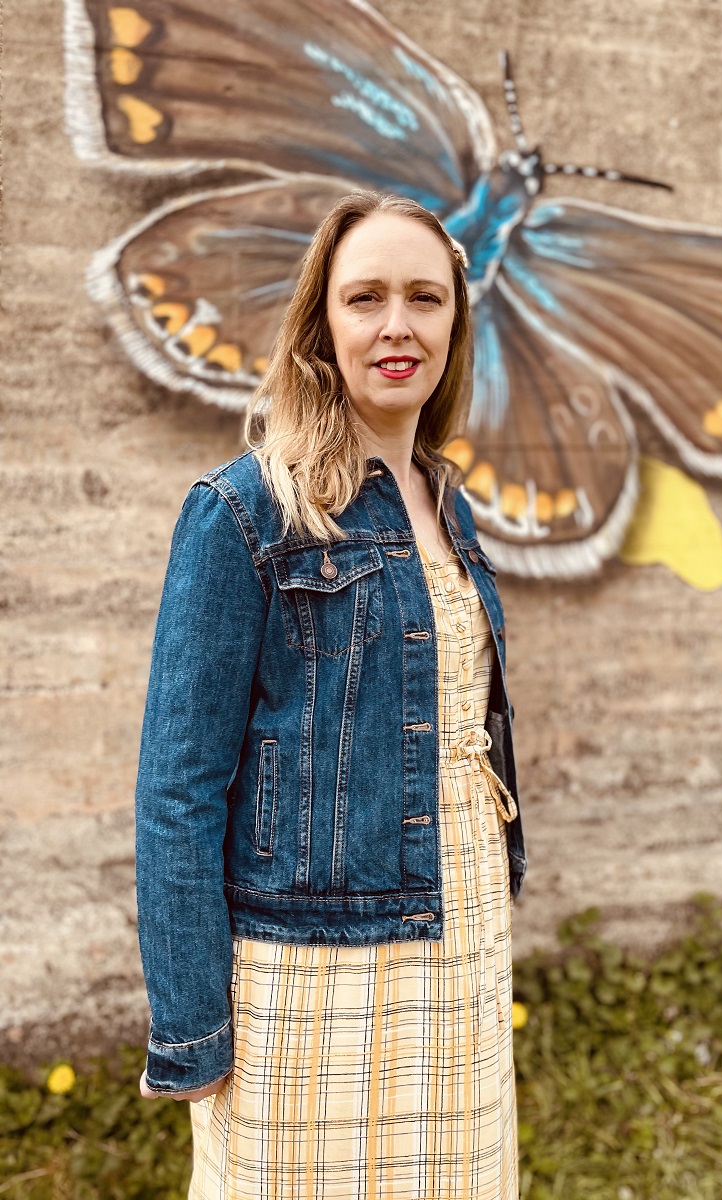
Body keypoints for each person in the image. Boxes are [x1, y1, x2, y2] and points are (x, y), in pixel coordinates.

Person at [133, 189, 527, 1199]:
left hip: (462, 930)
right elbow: (179, 788)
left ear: (454, 322)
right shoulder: (244, 510)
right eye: (366, 298)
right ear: (323, 326)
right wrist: (193, 1026)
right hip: (307, 964)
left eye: (424, 299)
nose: (397, 325)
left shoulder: (451, 502)